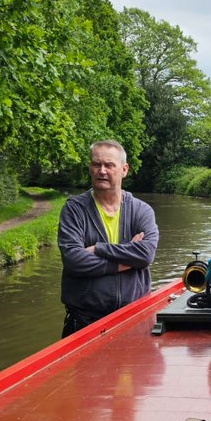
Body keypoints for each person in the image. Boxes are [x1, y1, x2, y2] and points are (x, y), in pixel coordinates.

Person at [58, 140, 159, 337]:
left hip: (134, 318)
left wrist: (98, 248)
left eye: (109, 165)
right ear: (90, 168)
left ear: (124, 169)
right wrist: (126, 260)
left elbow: (146, 254)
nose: (102, 171)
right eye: (96, 164)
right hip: (85, 320)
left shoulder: (141, 210)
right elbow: (74, 260)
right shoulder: (74, 210)